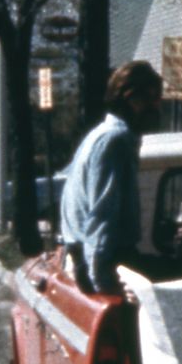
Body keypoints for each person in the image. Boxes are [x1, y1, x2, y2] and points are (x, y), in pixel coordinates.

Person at [59, 61, 163, 294]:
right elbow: (102, 216)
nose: (158, 107)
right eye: (153, 99)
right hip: (103, 265)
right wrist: (103, 286)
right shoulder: (116, 141)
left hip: (89, 258)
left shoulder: (101, 135)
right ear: (132, 99)